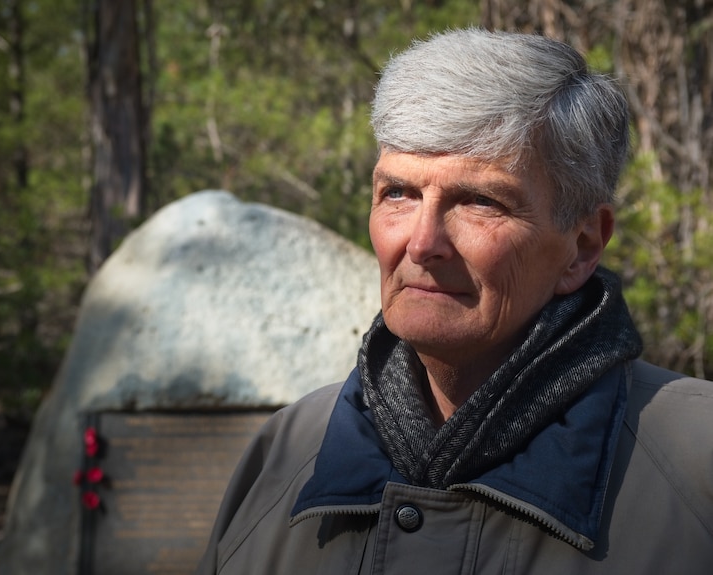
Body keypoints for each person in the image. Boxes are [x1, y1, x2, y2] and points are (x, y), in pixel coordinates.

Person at [197, 28, 713, 574]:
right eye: (399, 193)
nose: (421, 243)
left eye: (479, 201)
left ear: (582, 247)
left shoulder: (697, 460)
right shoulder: (282, 456)